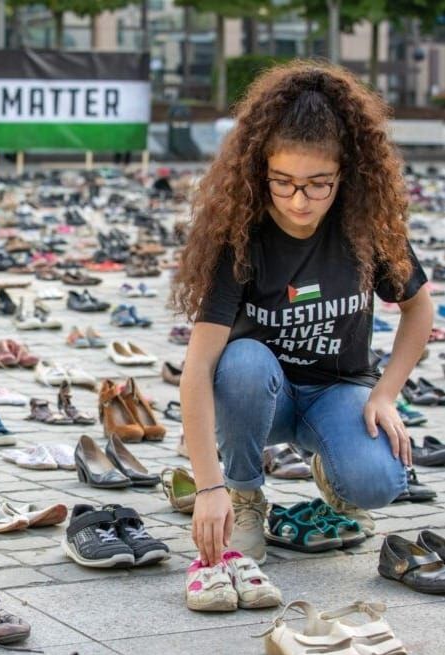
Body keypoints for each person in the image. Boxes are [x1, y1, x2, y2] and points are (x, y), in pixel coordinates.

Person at [171, 61, 433, 568]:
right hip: (256, 397)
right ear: (261, 173)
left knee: (380, 482)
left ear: (344, 175)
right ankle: (246, 495)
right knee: (243, 361)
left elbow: (418, 308)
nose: (299, 200)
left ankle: (331, 469)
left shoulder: (365, 226)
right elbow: (198, 367)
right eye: (283, 182)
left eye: (317, 184)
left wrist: (386, 393)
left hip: (337, 390)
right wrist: (209, 486)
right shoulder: (241, 238)